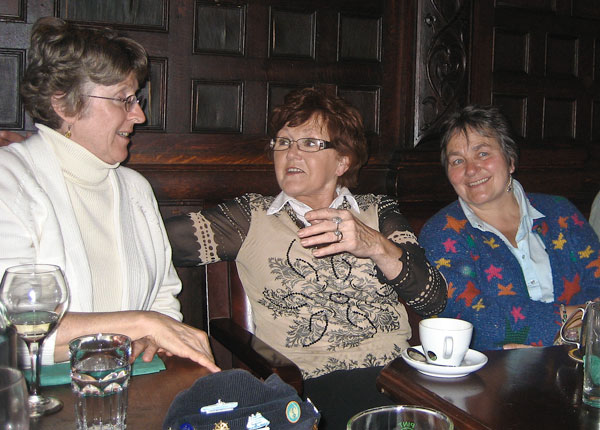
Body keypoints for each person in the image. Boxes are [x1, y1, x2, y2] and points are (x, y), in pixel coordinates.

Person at [166, 87, 447, 428]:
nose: (291, 153)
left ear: (342, 161)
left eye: (310, 143)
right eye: (283, 142)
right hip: (307, 382)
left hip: (397, 377)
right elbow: (154, 243)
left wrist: (375, 245)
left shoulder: (378, 211)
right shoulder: (249, 218)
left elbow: (433, 299)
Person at [0, 17, 218, 372]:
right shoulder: (8, 179)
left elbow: (163, 299)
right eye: (123, 99)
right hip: (37, 392)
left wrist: (150, 336)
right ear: (65, 105)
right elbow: (14, 331)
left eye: (136, 99)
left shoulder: (135, 188)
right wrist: (142, 324)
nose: (140, 115)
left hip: (131, 382)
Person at [419, 105, 600, 351]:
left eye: (483, 153)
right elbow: (470, 318)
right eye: (457, 161)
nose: (470, 170)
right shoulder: (441, 233)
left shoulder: (561, 213)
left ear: (510, 160)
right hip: (491, 369)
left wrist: (563, 337)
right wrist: (571, 318)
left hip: (578, 360)